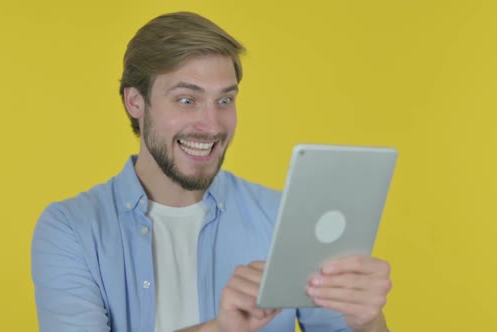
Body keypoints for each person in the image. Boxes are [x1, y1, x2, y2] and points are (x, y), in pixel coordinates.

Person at [31, 11, 392, 332]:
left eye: (225, 100)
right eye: (187, 100)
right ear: (135, 102)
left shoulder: (286, 219)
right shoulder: (71, 229)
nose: (211, 124)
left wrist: (366, 322)